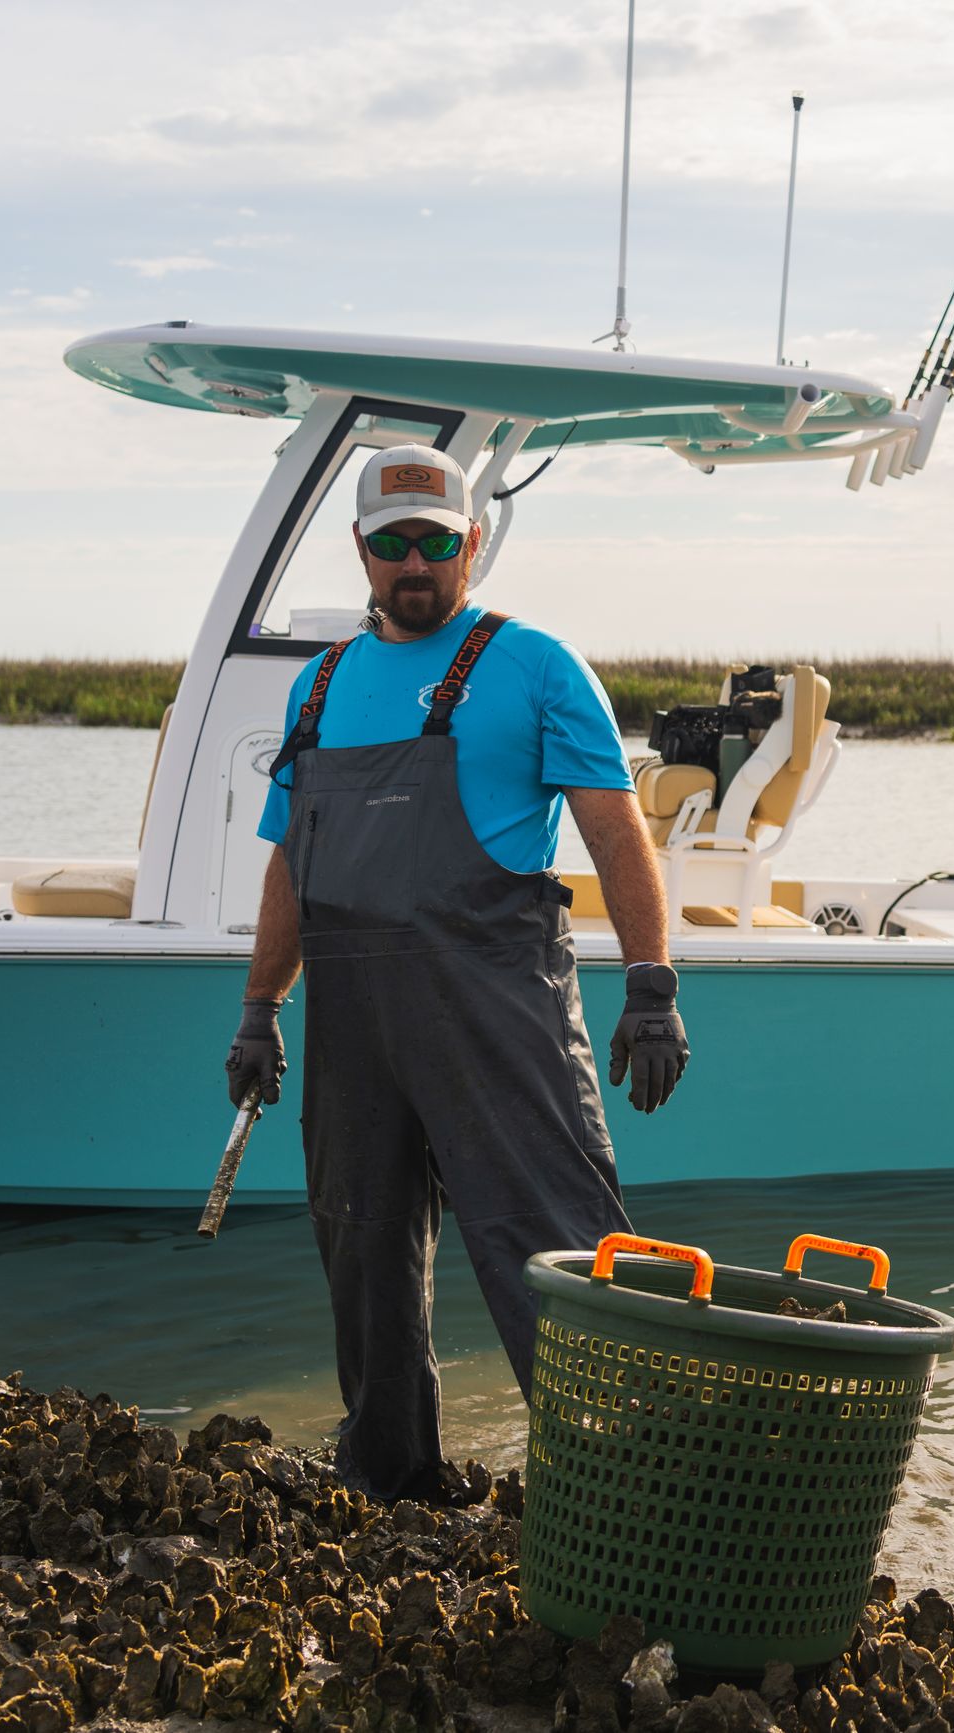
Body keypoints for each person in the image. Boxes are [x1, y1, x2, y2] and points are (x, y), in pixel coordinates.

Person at [220, 444, 689, 1504]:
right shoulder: (321, 682)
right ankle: (394, 1484)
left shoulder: (534, 665)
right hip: (355, 1026)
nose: (413, 562)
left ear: (472, 542)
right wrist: (260, 1007)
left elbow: (617, 835)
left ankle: (624, 1492)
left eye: (435, 540)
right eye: (391, 543)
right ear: (361, 551)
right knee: (363, 1255)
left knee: (556, 1249)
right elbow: (293, 859)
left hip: (497, 1012)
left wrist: (650, 983)